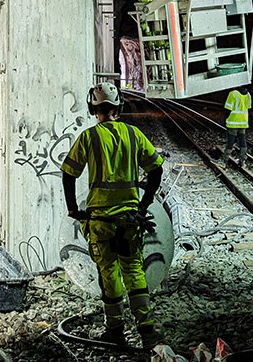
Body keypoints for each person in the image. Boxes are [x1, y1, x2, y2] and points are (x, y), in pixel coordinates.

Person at [60, 82, 165, 347]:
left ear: (92, 108)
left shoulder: (89, 137)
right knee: (134, 271)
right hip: (130, 219)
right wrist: (145, 203)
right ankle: (147, 331)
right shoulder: (133, 135)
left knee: (108, 274)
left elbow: (68, 173)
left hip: (100, 222)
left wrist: (73, 209)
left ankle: (116, 332)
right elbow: (156, 170)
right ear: (118, 106)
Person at [224, 86, 252, 168]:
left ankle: (224, 160)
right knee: (242, 140)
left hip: (233, 122)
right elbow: (249, 106)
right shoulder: (248, 94)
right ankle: (242, 160)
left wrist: (227, 118)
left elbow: (228, 108)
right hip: (243, 122)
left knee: (231, 141)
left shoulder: (233, 94)